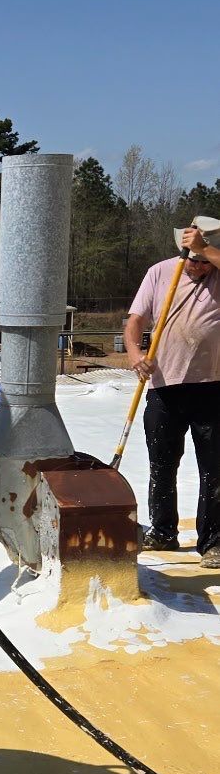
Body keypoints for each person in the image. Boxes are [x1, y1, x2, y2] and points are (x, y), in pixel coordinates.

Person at [123, 218, 220, 565]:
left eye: (204, 260)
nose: (197, 267)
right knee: (162, 465)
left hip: (213, 386)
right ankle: (163, 532)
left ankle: (213, 542)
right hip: (165, 385)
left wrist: (206, 249)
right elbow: (135, 319)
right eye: (192, 259)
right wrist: (135, 354)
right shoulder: (161, 272)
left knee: (214, 468)